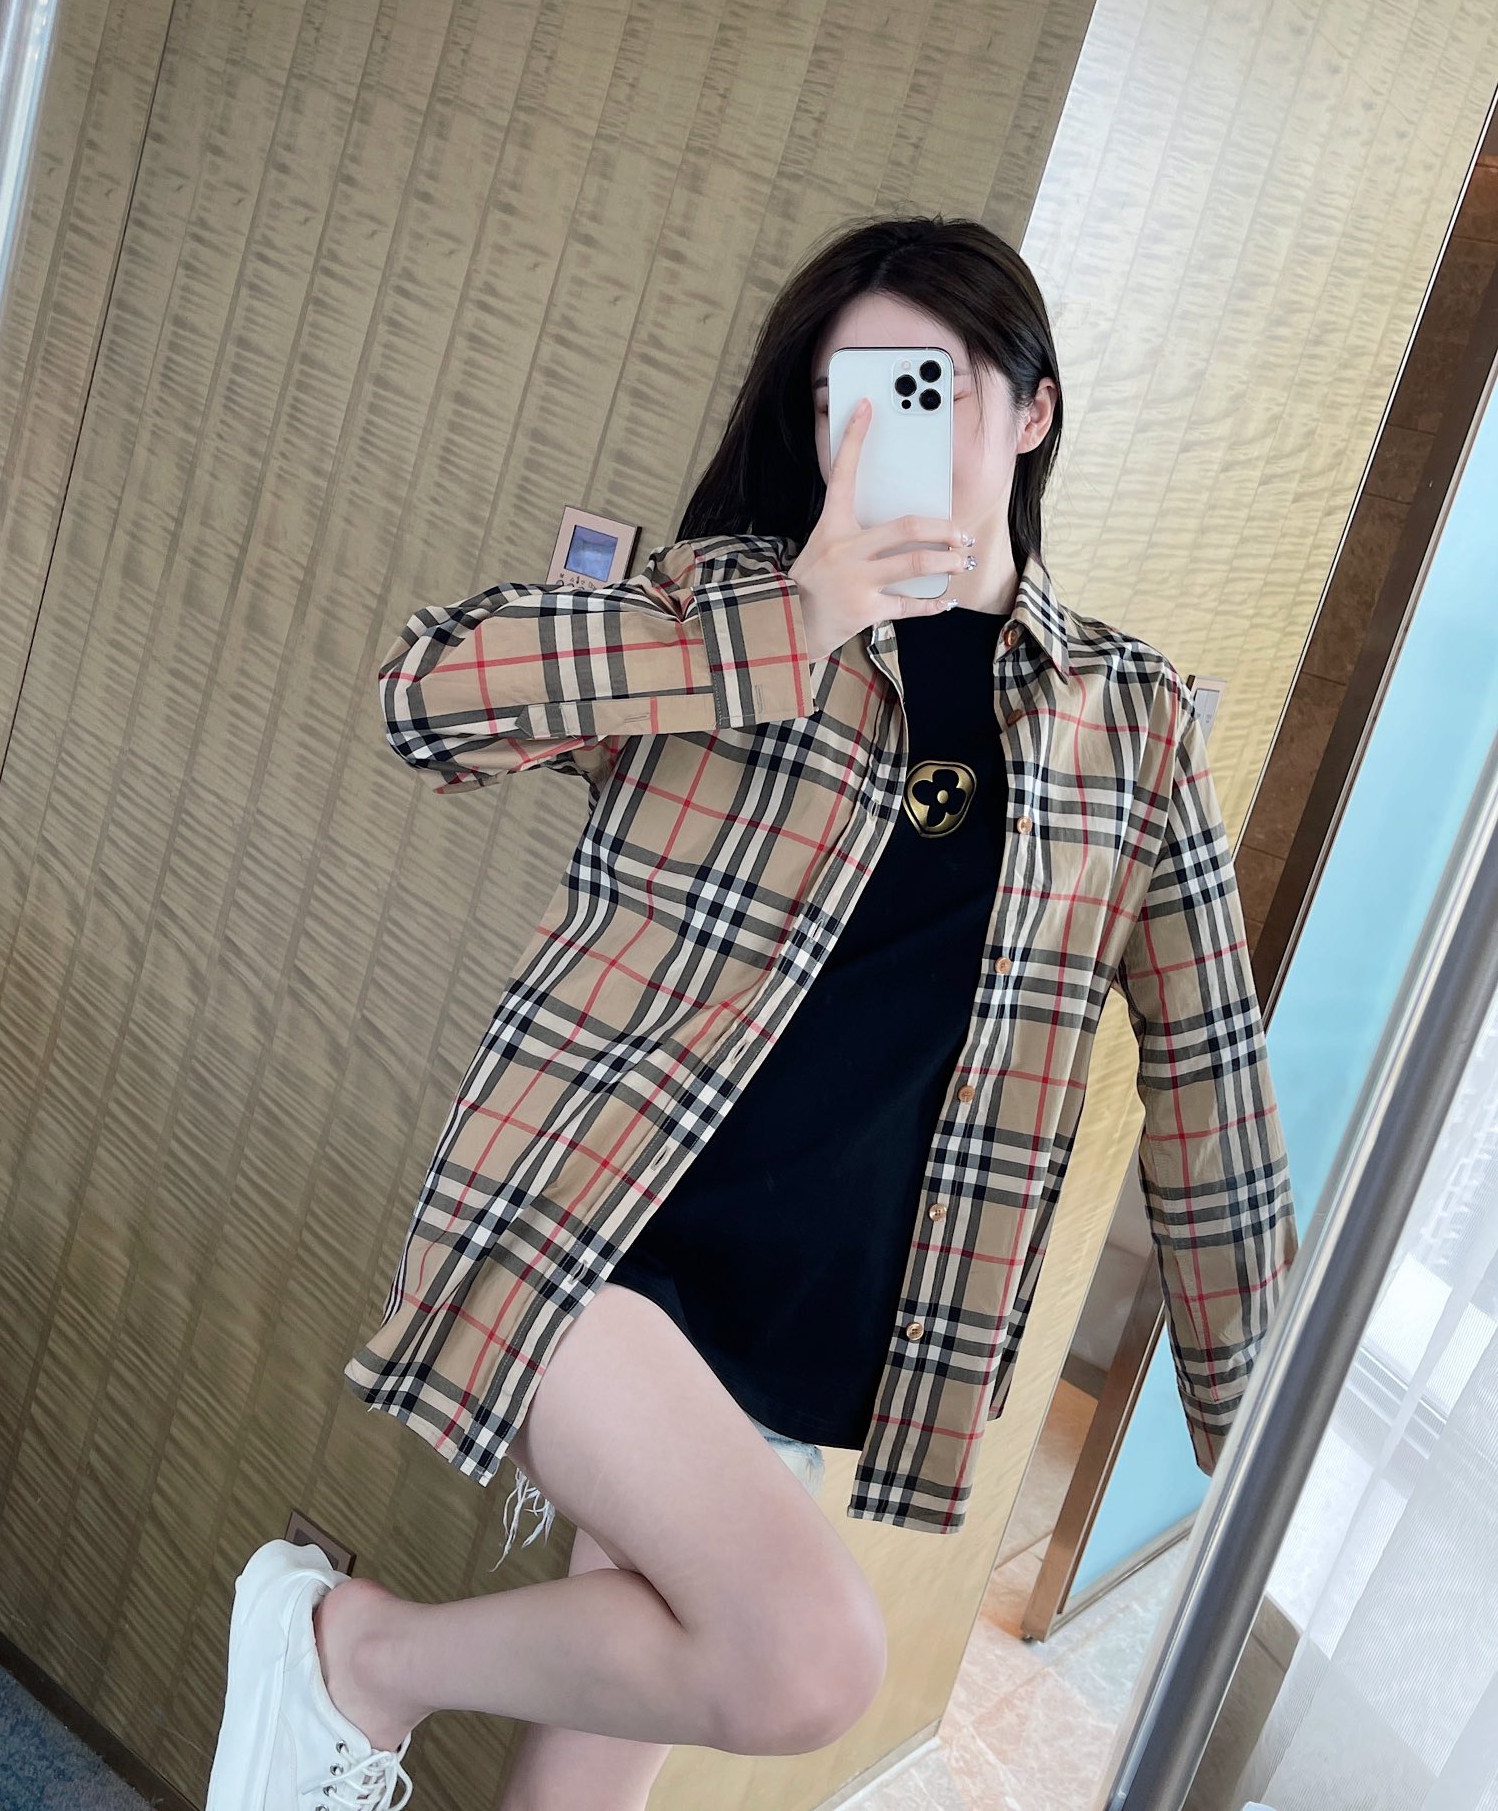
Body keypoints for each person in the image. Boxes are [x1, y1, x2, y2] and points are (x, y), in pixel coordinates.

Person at [206, 215, 1299, 1811]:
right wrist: (793, 618)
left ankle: (356, 1656)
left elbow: (1210, 1070)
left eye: (929, 387)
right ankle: (356, 1654)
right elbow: (427, 700)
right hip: (586, 1242)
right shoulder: (725, 611)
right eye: (852, 397)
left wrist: (1250, 1411)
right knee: (806, 1663)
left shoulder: (1128, 726)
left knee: (600, 1775)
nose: (886, 431)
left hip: (800, 1330)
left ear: (1034, 410)